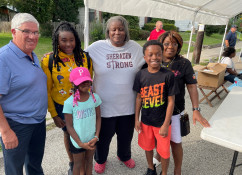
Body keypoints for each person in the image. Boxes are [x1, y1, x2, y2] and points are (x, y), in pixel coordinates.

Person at [85, 16, 145, 174]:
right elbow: (76, 57)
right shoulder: (96, 47)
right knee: (103, 138)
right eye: (114, 29)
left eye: (121, 29)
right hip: (104, 106)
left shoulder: (136, 48)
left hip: (128, 105)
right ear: (108, 31)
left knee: (126, 136)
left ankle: (124, 156)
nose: (117, 32)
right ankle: (100, 159)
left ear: (126, 30)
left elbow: (152, 59)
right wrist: (54, 53)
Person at [0, 13, 47, 175]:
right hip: (16, 124)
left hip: (37, 121)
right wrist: (6, 131)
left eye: (36, 32)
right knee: (15, 169)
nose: (32, 36)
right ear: (13, 32)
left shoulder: (31, 54)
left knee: (35, 165)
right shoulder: (2, 59)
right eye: (26, 32)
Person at [153, 31, 211, 175]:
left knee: (175, 142)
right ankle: (158, 156)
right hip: (155, 111)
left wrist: (196, 109)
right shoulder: (153, 59)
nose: (170, 47)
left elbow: (191, 86)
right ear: (161, 44)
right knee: (157, 139)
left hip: (175, 111)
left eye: (174, 44)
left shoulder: (184, 63)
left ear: (179, 46)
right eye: (166, 43)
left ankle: (177, 169)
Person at [41, 21, 93, 174]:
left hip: (83, 105)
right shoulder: (49, 60)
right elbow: (47, 90)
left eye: (71, 40)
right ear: (57, 41)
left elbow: (89, 82)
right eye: (63, 40)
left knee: (85, 132)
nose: (68, 44)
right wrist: (54, 114)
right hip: (62, 107)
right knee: (68, 133)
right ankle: (73, 162)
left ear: (76, 40)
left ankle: (84, 160)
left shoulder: (85, 58)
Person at [134, 40, 177, 175]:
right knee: (148, 147)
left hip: (161, 123)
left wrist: (165, 124)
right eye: (150, 55)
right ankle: (151, 168)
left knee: (164, 151)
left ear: (162, 55)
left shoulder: (168, 75)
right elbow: (139, 98)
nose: (154, 58)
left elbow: (171, 101)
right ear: (145, 58)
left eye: (158, 54)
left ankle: (164, 172)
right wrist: (137, 119)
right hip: (146, 121)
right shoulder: (140, 75)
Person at [63, 67, 101, 175]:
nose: (85, 84)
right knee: (78, 164)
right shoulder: (69, 103)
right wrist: (80, 143)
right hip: (77, 141)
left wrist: (96, 136)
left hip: (92, 139)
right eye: (81, 82)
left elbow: (98, 118)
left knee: (89, 162)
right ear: (74, 84)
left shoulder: (95, 98)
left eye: (87, 81)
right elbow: (69, 126)